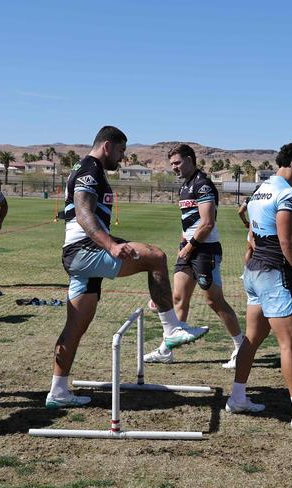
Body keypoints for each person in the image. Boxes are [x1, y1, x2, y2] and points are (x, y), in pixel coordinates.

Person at [45, 126, 207, 409]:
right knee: (155, 257)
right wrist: (110, 245)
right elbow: (83, 213)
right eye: (121, 151)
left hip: (81, 256)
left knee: (76, 326)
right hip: (84, 252)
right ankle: (171, 330)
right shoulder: (90, 169)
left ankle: (57, 391)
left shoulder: (89, 169)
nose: (121, 158)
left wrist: (114, 241)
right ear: (107, 146)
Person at [224, 142, 292, 433]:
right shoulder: (286, 194)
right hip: (274, 275)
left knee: (251, 338)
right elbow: (288, 242)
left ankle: (237, 397)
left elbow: (251, 231)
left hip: (253, 273)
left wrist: (253, 251)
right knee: (291, 345)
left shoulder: (260, 189)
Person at [144, 144, 243, 368]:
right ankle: (166, 350)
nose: (174, 168)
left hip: (204, 251)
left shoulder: (203, 185)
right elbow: (188, 222)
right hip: (189, 248)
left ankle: (240, 346)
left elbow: (207, 223)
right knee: (178, 298)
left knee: (213, 301)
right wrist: (183, 243)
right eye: (172, 165)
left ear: (190, 160)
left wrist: (189, 247)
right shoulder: (185, 186)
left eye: (177, 163)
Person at [237, 185, 260, 264]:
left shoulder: (249, 199)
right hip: (264, 227)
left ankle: (247, 271)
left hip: (252, 226)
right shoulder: (267, 198)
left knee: (250, 249)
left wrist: (245, 222)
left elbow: (240, 211)